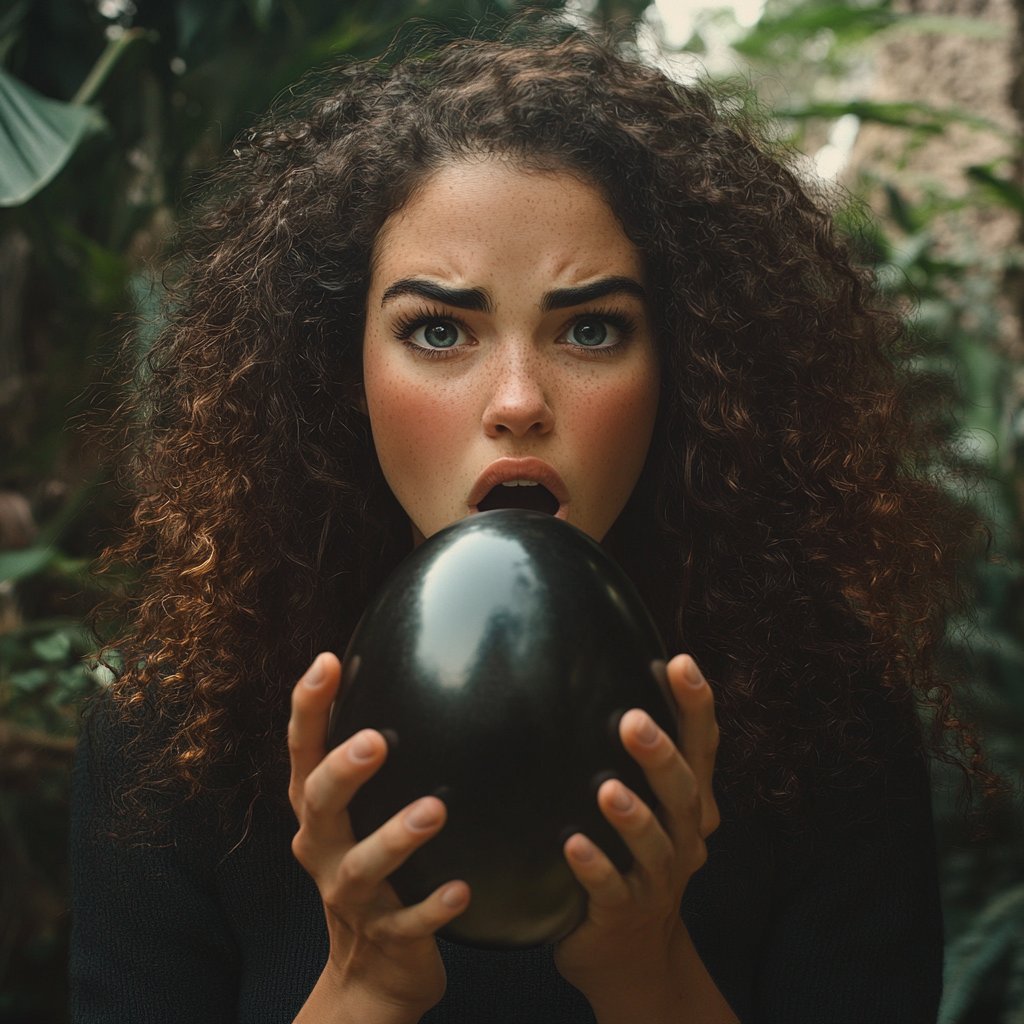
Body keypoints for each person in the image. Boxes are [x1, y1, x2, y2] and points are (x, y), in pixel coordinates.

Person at [70, 21, 983, 1024]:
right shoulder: (173, 738)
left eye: (589, 328)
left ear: (679, 368)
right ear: (344, 373)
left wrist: (647, 969)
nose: (516, 399)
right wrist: (363, 983)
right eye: (437, 331)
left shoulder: (826, 722)